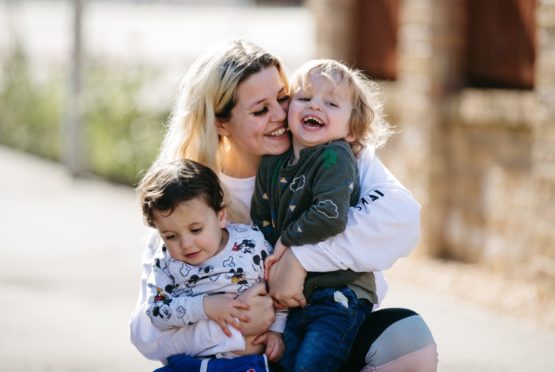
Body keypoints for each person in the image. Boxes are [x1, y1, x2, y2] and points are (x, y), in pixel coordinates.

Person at [129, 39, 438, 371]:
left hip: (324, 321)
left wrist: (300, 258)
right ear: (221, 124)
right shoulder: (191, 197)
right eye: (261, 109)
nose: (279, 116)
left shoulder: (324, 150)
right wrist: (237, 323)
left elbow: (402, 220)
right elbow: (146, 334)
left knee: (407, 337)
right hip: (244, 355)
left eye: (283, 98)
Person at [251, 59, 384, 371]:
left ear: (352, 129)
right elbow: (263, 221)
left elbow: (331, 215)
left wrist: (287, 241)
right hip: (293, 301)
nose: (315, 106)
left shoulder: (334, 156)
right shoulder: (272, 163)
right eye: (305, 98)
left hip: (338, 296)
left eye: (331, 103)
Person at [136, 159, 285, 366]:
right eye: (170, 236)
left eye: (196, 230)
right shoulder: (165, 262)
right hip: (191, 364)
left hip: (247, 362)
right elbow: (157, 311)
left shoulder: (251, 243)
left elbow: (276, 288)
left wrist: (276, 330)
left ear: (221, 216)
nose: (186, 244)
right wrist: (205, 307)